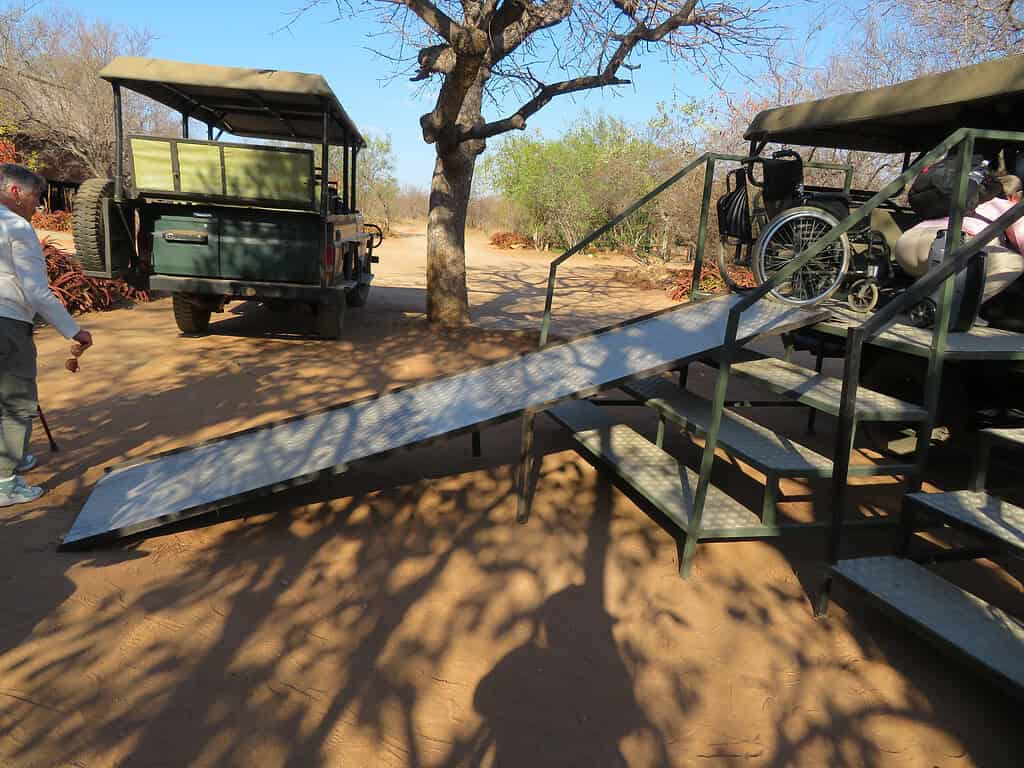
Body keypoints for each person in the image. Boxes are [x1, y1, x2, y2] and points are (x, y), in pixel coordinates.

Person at [0, 163, 92, 506]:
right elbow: (37, 292)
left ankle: (15, 456)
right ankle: (5, 482)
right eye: (36, 197)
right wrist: (74, 330)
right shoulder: (16, 228)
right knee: (15, 402)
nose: (37, 205)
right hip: (7, 321)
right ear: (15, 192)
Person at [895, 174, 1024, 304]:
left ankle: (919, 301)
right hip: (946, 249)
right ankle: (955, 308)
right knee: (1015, 263)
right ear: (1015, 196)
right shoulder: (1008, 206)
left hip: (906, 246)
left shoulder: (973, 198)